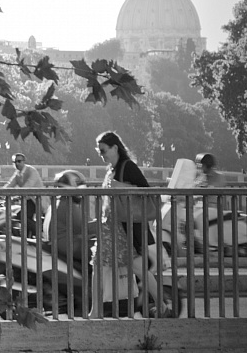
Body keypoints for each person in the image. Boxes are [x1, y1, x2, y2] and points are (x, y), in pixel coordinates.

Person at [88, 131, 167, 318]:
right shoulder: (112, 170)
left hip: (123, 229)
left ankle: (161, 304)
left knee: (134, 267)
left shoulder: (127, 167)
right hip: (112, 228)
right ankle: (95, 311)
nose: (102, 155)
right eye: (100, 151)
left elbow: (146, 192)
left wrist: (121, 187)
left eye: (104, 150)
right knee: (100, 265)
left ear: (115, 148)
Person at [42, 169, 90, 268]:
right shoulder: (67, 204)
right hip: (68, 246)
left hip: (60, 245)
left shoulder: (58, 203)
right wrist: (105, 223)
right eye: (80, 189)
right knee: (102, 250)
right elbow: (83, 228)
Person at [3, 152, 45, 234]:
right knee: (22, 216)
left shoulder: (31, 171)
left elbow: (28, 186)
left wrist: (16, 195)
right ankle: (28, 237)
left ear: (24, 161)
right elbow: (10, 184)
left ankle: (40, 233)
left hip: (37, 199)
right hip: (28, 199)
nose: (17, 164)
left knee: (22, 216)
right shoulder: (18, 173)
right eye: (14, 162)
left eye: (19, 161)